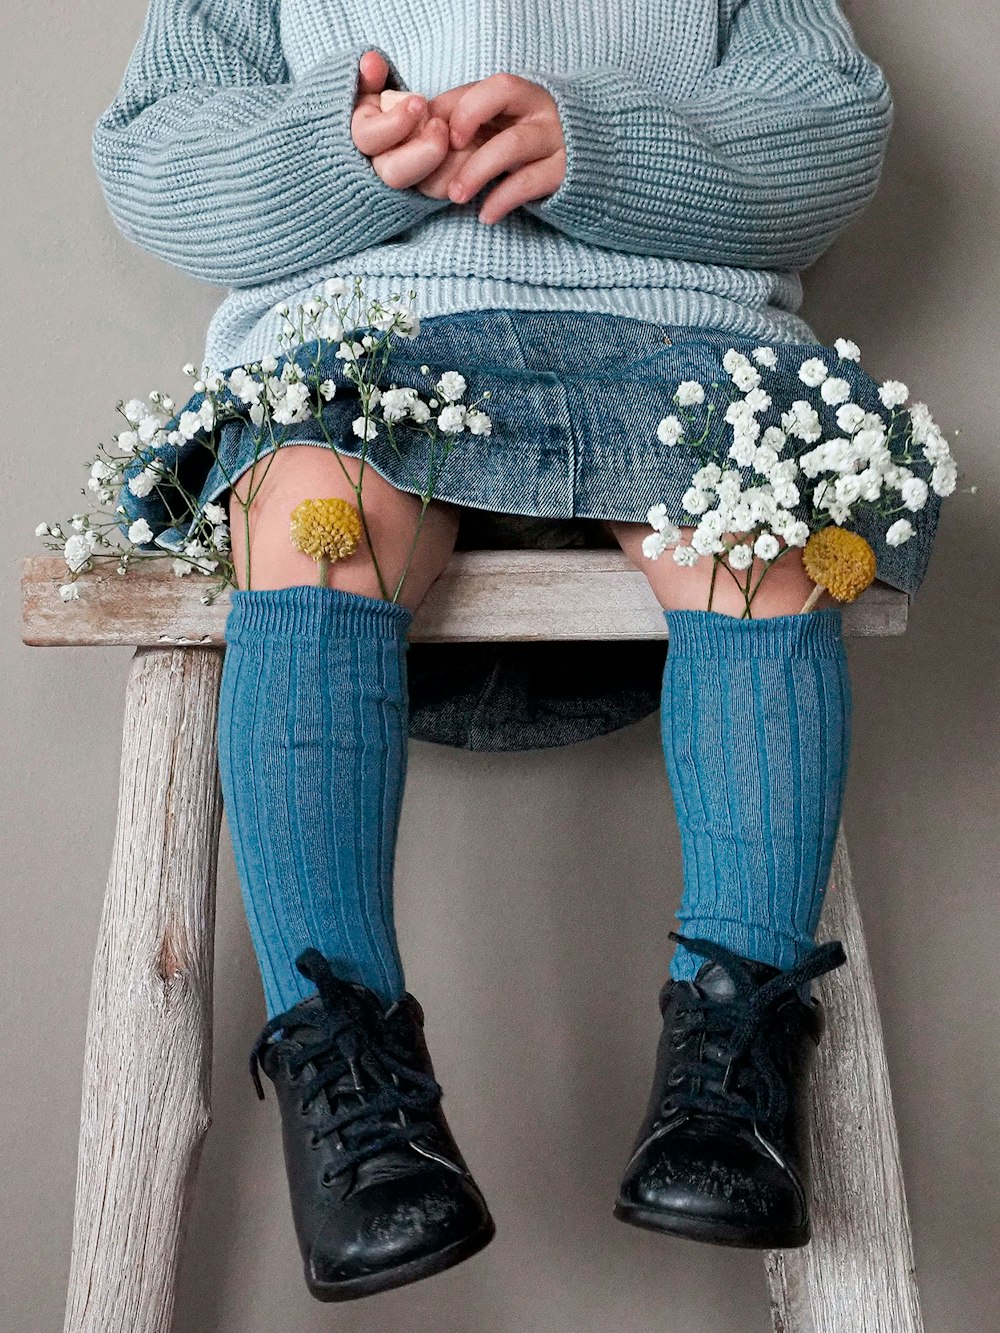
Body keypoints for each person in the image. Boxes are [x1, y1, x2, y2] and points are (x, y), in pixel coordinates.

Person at [92, 0, 936, 1303]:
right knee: (312, 526)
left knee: (755, 538)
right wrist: (343, 158)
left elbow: (825, 138)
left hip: (676, 338)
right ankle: (349, 1067)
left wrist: (597, 149)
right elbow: (157, 156)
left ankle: (736, 1040)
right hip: (369, 331)